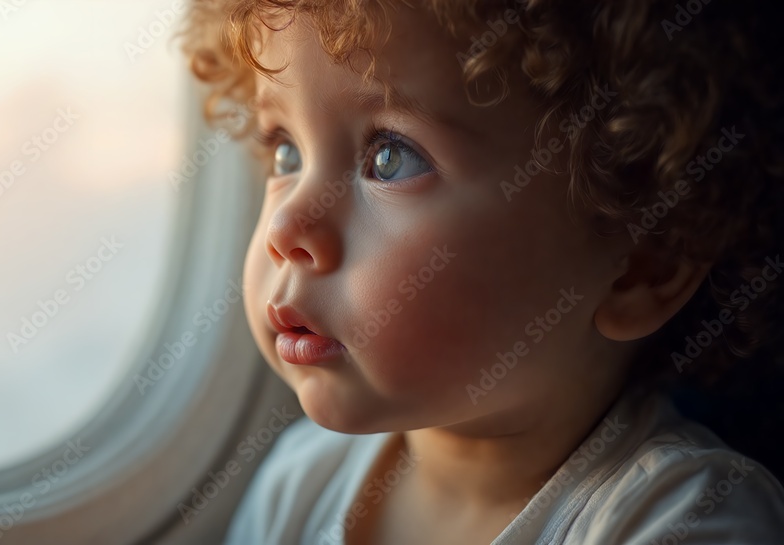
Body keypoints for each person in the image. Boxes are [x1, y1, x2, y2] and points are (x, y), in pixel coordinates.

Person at [179, 1, 784, 543]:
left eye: (390, 158)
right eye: (286, 150)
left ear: (641, 269)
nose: (285, 228)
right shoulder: (300, 481)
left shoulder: (684, 519)